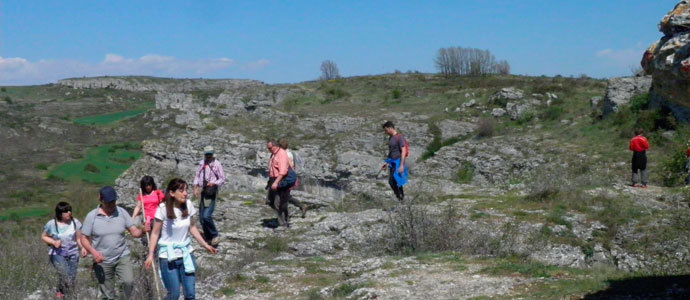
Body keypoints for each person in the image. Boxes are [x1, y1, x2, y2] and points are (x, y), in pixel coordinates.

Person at [145, 178, 218, 300]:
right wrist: (151, 254)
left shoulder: (188, 205)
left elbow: (192, 227)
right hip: (168, 257)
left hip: (186, 254)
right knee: (173, 295)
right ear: (172, 193)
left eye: (186, 190)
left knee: (190, 294)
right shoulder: (162, 209)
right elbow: (154, 234)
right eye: (181, 190)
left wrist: (205, 245)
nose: (185, 193)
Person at [81, 186, 143, 300]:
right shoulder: (92, 216)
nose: (111, 205)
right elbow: (83, 238)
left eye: (113, 202)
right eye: (108, 202)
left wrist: (143, 230)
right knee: (107, 293)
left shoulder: (121, 212)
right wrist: (93, 253)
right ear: (101, 200)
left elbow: (134, 232)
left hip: (122, 255)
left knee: (128, 282)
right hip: (102, 259)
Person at [41, 202, 87, 299]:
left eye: (70, 210)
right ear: (59, 213)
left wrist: (82, 247)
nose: (69, 213)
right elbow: (44, 236)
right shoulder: (51, 224)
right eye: (66, 211)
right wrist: (53, 242)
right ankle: (62, 292)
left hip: (73, 253)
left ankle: (66, 295)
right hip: (58, 253)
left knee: (71, 277)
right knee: (64, 274)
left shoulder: (75, 222)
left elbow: (79, 239)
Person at [192, 146, 225, 247]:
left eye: (210, 154)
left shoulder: (217, 164)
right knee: (201, 217)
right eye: (207, 154)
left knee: (206, 215)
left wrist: (214, 183)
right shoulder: (202, 163)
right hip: (203, 191)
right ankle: (208, 237)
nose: (208, 156)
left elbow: (222, 178)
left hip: (211, 192)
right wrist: (195, 187)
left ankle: (214, 235)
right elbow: (197, 175)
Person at [266, 140, 297, 227]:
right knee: (270, 201)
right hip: (273, 179)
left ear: (275, 146)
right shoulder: (274, 154)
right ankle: (284, 218)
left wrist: (276, 183)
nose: (268, 150)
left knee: (278, 203)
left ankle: (283, 223)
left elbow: (283, 171)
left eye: (269, 148)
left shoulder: (281, 154)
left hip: (280, 180)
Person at [278, 139, 308, 218]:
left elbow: (287, 166)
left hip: (286, 177)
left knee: (284, 195)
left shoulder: (285, 155)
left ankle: (299, 206)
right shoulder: (290, 153)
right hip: (289, 176)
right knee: (285, 195)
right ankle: (300, 206)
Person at [380, 121, 409, 202]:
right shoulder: (391, 138)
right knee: (395, 181)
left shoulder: (399, 137)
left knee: (393, 181)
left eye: (386, 130)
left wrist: (401, 165)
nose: (385, 132)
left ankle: (401, 198)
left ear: (390, 128)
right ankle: (401, 199)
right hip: (392, 162)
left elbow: (403, 151)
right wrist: (386, 162)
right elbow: (391, 151)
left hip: (398, 162)